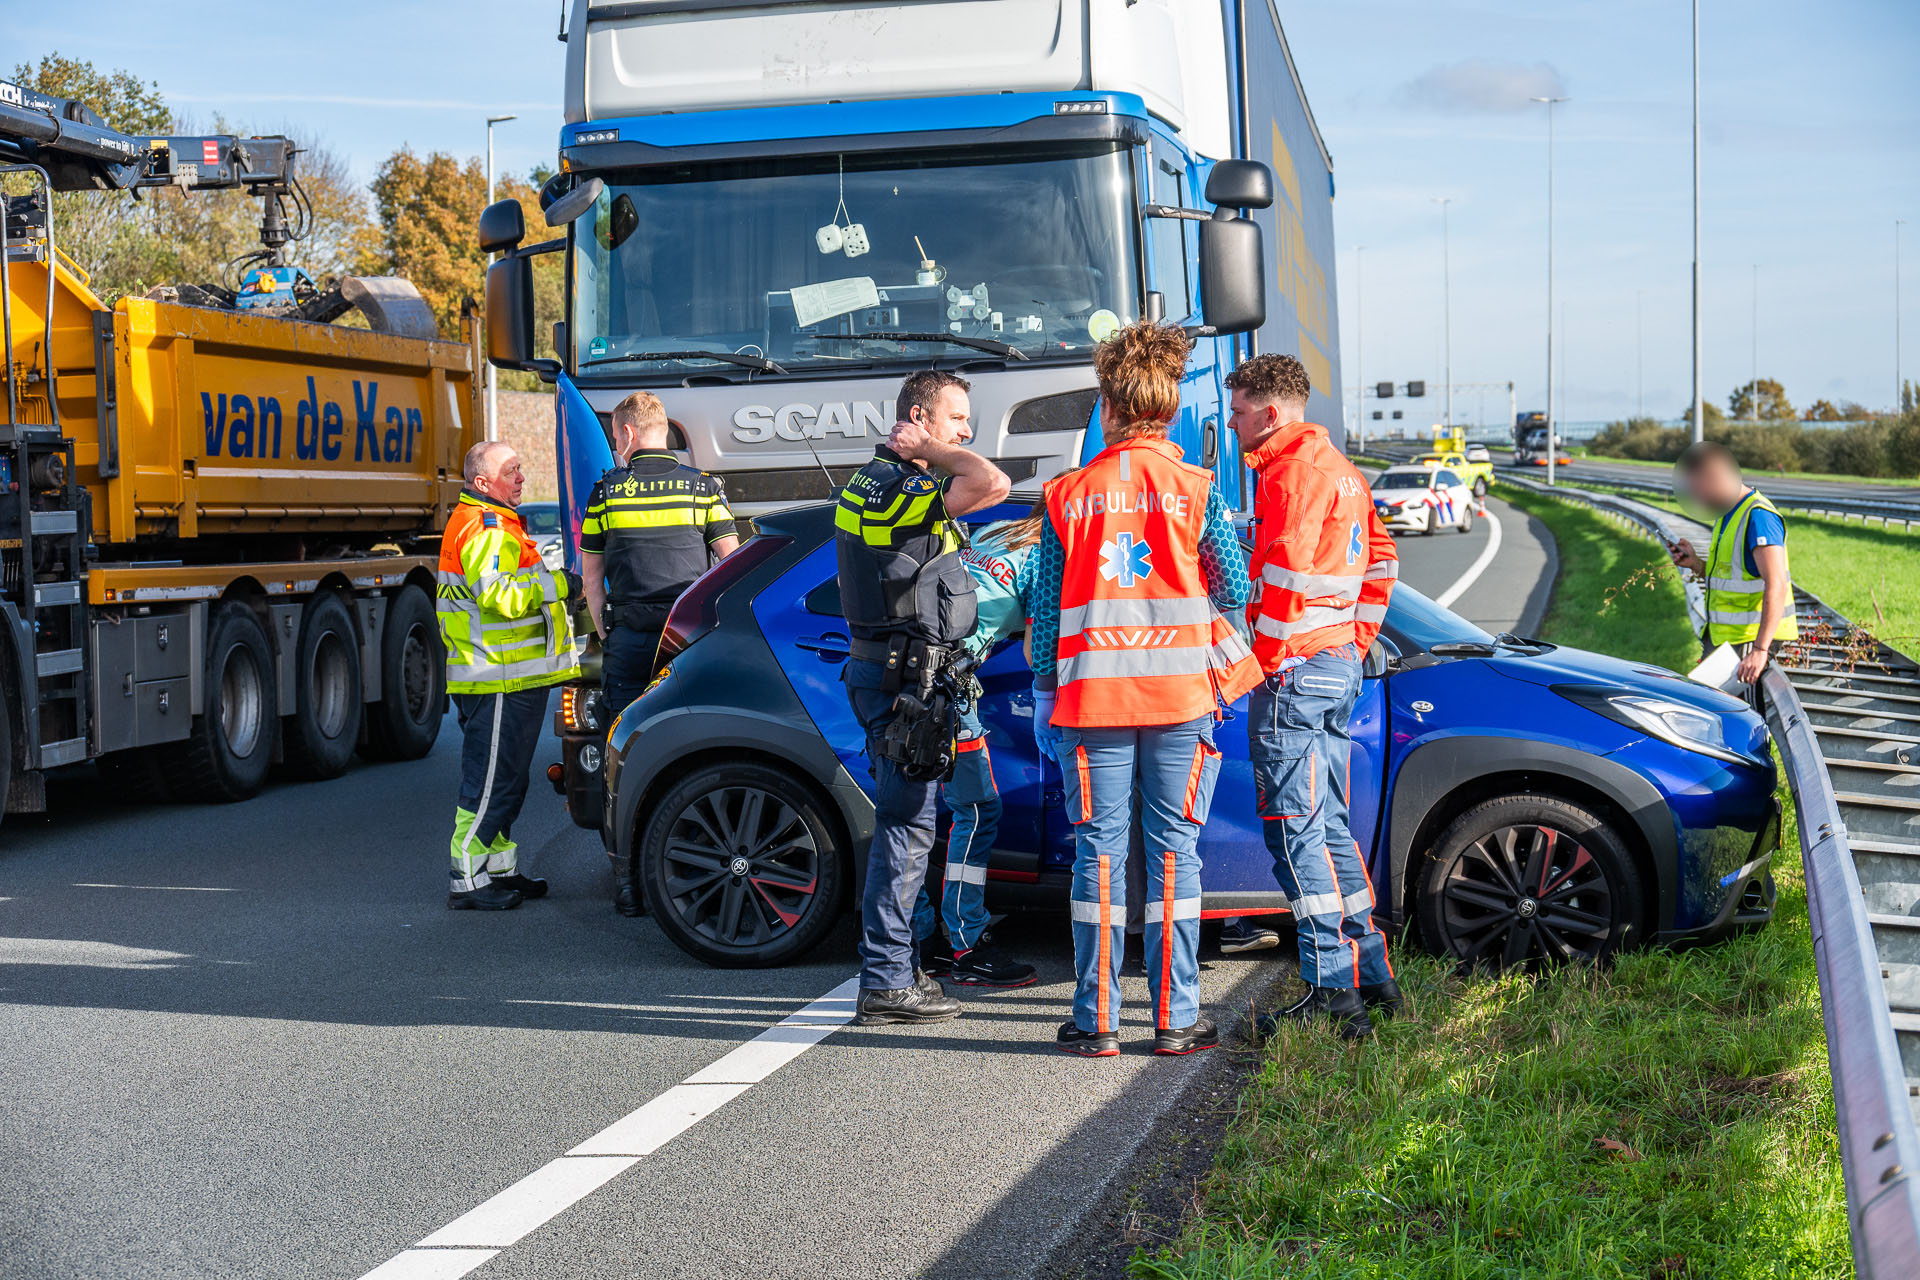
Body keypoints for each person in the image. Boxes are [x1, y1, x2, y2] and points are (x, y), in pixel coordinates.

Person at [1029, 323, 1262, 1058]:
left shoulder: (1066, 495)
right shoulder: (1200, 492)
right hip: (1179, 704)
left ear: (1108, 405)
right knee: (1173, 856)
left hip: (1091, 705)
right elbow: (1233, 584)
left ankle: (1095, 1022)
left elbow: (1045, 612)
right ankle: (1173, 1019)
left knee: (1097, 856)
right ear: (1166, 409)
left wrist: (1043, 690)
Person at [1227, 354, 1400, 1041]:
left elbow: (1286, 578)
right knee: (1326, 825)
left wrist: (1262, 666)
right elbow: (1383, 559)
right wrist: (1355, 639)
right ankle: (1373, 974)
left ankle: (1333, 992)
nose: (1232, 419)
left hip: (1295, 671)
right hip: (1333, 666)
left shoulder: (1290, 473)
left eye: (1238, 409)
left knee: (1295, 830)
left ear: (1271, 413)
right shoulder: (1342, 471)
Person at [835, 370, 1012, 1026]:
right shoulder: (903, 488)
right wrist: (930, 452)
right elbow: (992, 483)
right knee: (908, 831)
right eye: (956, 419)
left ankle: (897, 967)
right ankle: (886, 980)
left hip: (888, 675)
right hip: (901, 684)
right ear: (919, 416)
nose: (966, 431)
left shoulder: (869, 482)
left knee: (905, 827)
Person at [580, 390, 740, 915]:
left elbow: (592, 574)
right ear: (664, 431)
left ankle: (627, 882)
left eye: (614, 436)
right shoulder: (702, 489)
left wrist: (607, 631)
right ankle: (695, 860)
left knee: (623, 751)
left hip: (629, 637)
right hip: (688, 640)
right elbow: (729, 563)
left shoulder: (606, 492)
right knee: (700, 737)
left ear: (626, 434)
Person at [436, 441, 582, 910]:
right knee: (489, 783)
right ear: (483, 483)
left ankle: (499, 869)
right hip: (496, 677)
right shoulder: (486, 525)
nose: (521, 478)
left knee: (507, 780)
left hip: (509, 676)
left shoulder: (497, 523)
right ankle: (467, 880)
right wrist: (563, 583)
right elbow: (498, 594)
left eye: (521, 468)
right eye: (511, 471)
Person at [911, 508, 1048, 988]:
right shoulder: (1045, 556)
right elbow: (1037, 653)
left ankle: (918, 936)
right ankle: (963, 943)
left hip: (911, 675)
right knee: (978, 809)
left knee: (913, 813)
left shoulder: (997, 532)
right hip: (946, 687)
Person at [1669, 441, 1797, 699]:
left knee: (1728, 719)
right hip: (1728, 641)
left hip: (1748, 642)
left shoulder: (1759, 516)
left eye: (1698, 489)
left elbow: (1777, 583)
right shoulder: (1727, 514)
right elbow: (1731, 579)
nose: (1697, 498)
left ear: (1714, 478)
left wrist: (1760, 649)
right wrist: (1694, 563)